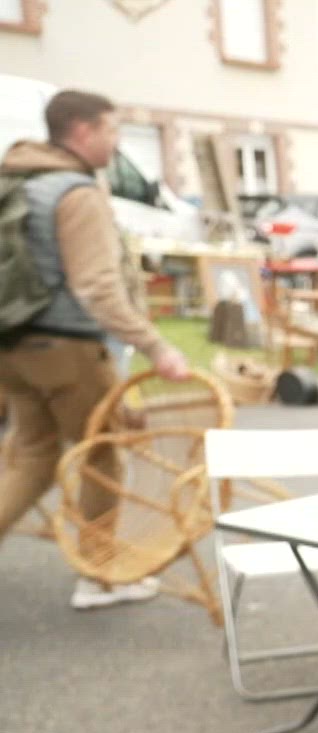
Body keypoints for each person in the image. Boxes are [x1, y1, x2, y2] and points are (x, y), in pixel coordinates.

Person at [0, 89, 191, 609]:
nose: (116, 141)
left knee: (32, 457)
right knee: (102, 454)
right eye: (111, 130)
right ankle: (101, 575)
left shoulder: (17, 179)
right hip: (67, 348)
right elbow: (97, 287)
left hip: (13, 345)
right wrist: (156, 347)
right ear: (82, 131)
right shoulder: (76, 193)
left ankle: (98, 571)